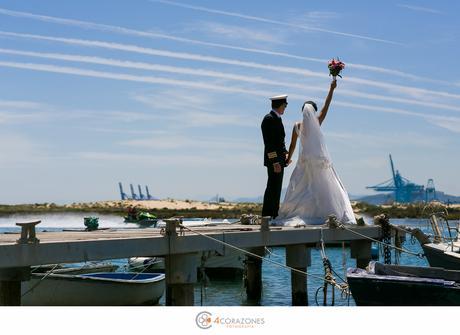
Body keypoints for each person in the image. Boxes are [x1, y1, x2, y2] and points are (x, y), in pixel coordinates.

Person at [273, 79, 356, 226]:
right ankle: (326, 214)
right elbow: (327, 106)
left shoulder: (297, 126)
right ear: (314, 112)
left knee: (301, 188)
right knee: (325, 188)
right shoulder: (317, 122)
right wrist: (332, 89)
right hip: (318, 161)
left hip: (304, 161)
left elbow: (292, 145)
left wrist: (288, 159)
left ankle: (303, 213)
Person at [261, 94, 289, 219]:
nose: (285, 108)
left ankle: (274, 214)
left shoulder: (277, 118)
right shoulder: (269, 119)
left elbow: (280, 141)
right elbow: (269, 144)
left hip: (280, 160)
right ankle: (267, 215)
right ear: (280, 105)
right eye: (285, 106)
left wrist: (285, 153)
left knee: (277, 188)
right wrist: (275, 162)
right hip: (275, 162)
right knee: (272, 187)